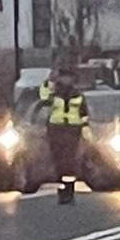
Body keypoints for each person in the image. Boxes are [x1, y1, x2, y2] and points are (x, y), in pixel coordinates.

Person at [38, 68, 92, 204]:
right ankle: (62, 190)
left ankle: (69, 191)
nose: (67, 80)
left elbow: (84, 113)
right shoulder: (53, 92)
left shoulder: (78, 95)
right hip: (56, 130)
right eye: (64, 77)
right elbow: (43, 97)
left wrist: (85, 129)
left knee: (69, 161)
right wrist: (49, 81)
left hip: (73, 130)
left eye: (69, 77)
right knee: (58, 161)